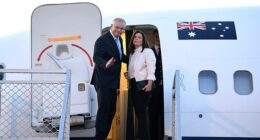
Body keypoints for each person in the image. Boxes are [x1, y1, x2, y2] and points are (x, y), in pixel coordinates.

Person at [91, 17, 128, 140]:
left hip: (113, 82)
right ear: (111, 26)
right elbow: (96, 57)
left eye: (122, 28)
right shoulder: (102, 40)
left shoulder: (119, 39)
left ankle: (103, 136)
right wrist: (105, 64)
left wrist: (136, 58)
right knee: (104, 111)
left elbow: (120, 56)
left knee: (111, 111)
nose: (119, 30)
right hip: (103, 81)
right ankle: (99, 137)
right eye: (117, 27)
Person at [127, 30, 156, 140]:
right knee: (138, 114)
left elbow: (151, 67)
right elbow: (134, 71)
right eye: (135, 37)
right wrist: (129, 75)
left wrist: (150, 83)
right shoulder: (132, 54)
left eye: (139, 37)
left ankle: (145, 137)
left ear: (143, 40)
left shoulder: (147, 51)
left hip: (143, 84)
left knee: (143, 113)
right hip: (134, 85)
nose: (137, 39)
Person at [149, 30, 164, 140]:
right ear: (153, 38)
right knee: (152, 115)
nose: (158, 39)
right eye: (156, 37)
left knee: (164, 115)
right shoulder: (148, 51)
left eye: (160, 37)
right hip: (153, 89)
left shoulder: (166, 51)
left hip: (164, 88)